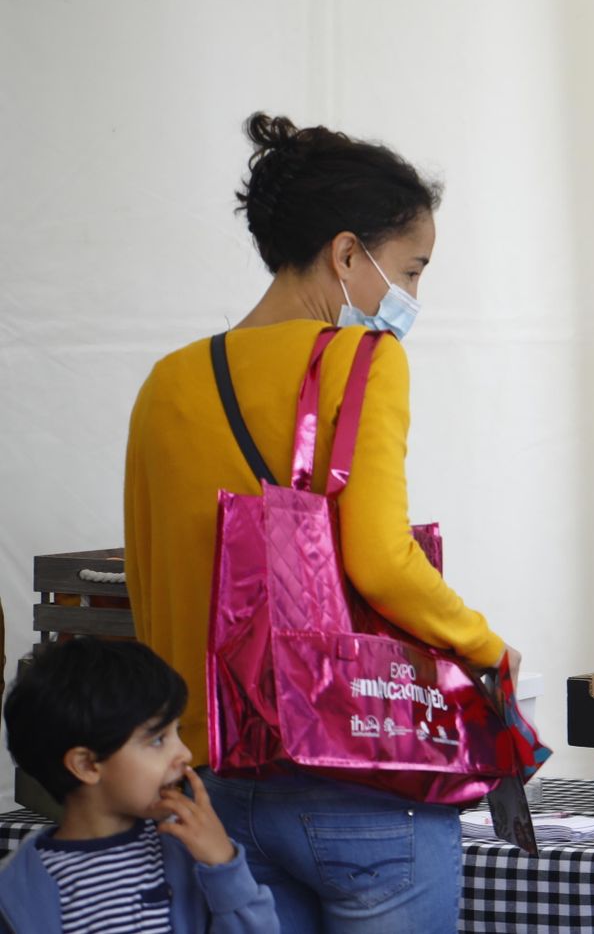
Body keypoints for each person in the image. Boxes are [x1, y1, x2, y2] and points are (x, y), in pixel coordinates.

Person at [123, 113, 517, 932]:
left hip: (211, 779)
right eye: (410, 269)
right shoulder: (361, 360)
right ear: (346, 254)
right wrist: (485, 647)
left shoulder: (164, 384)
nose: (412, 296)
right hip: (356, 774)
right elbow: (378, 560)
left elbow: (148, 583)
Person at [0, 637, 278, 934]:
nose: (184, 753)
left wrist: (224, 864)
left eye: (178, 732)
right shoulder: (20, 887)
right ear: (87, 765)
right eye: (158, 739)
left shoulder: (189, 852)